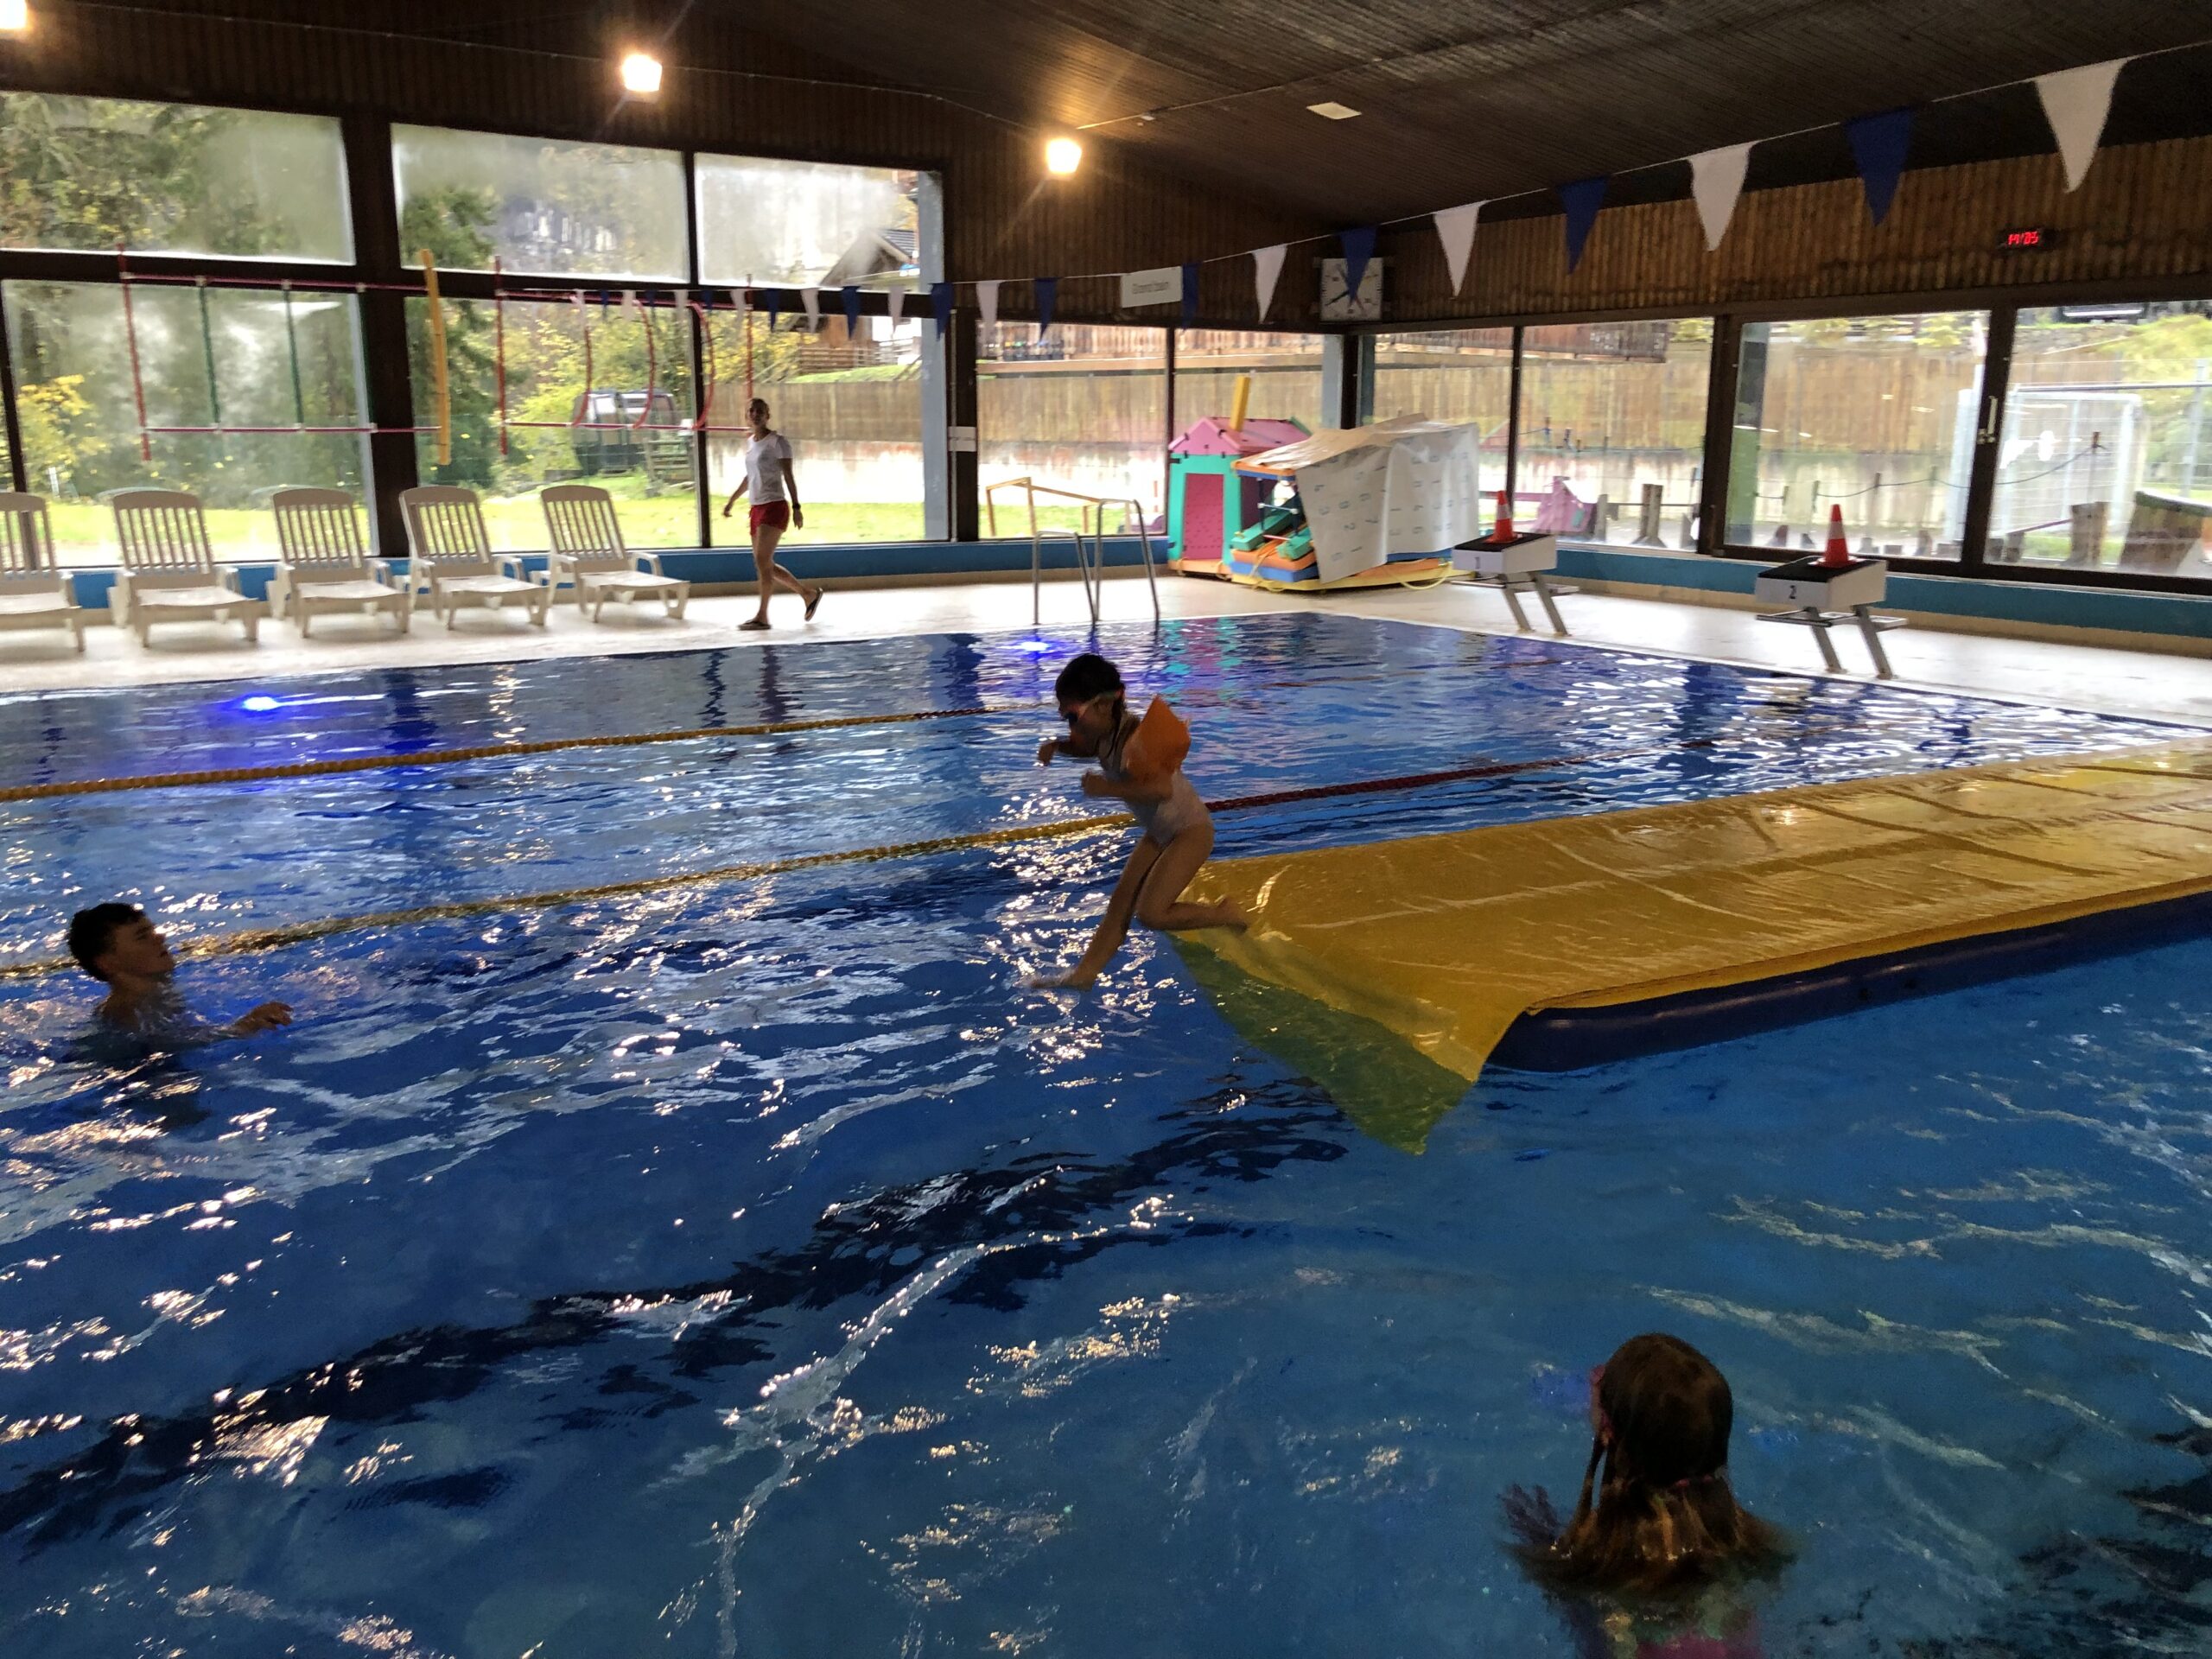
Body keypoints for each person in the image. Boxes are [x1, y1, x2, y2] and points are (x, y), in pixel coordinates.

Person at [1502, 1333, 1789, 1657]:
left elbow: (1580, 1610)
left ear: (1608, 1429)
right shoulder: (1746, 1543)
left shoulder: (1601, 1563)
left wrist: (1542, 1535)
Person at [1032, 652, 1246, 989]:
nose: (1071, 727)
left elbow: (1160, 790)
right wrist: (1058, 747)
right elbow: (1088, 749)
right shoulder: (1106, 734)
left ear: (1103, 705)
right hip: (1161, 833)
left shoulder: (1134, 740)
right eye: (1064, 718)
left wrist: (1107, 789)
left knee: (1152, 914)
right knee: (1121, 902)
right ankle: (1084, 975)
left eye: (1072, 716)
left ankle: (1224, 914)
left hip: (1190, 831)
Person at [67, 903, 292, 1045]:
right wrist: (243, 1027)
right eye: (142, 936)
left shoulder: (151, 996)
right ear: (108, 963)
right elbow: (171, 1044)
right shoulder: (130, 1011)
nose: (160, 937)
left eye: (152, 931)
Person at [719, 396, 822, 632]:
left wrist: (797, 507)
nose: (755, 415)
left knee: (763, 562)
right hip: (756, 507)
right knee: (764, 563)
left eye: (760, 411)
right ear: (747, 415)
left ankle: (762, 616)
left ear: (768, 415)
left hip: (774, 506)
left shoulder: (778, 442)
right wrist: (732, 501)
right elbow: (750, 477)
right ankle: (808, 594)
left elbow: (789, 475)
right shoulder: (751, 443)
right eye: (751, 411)